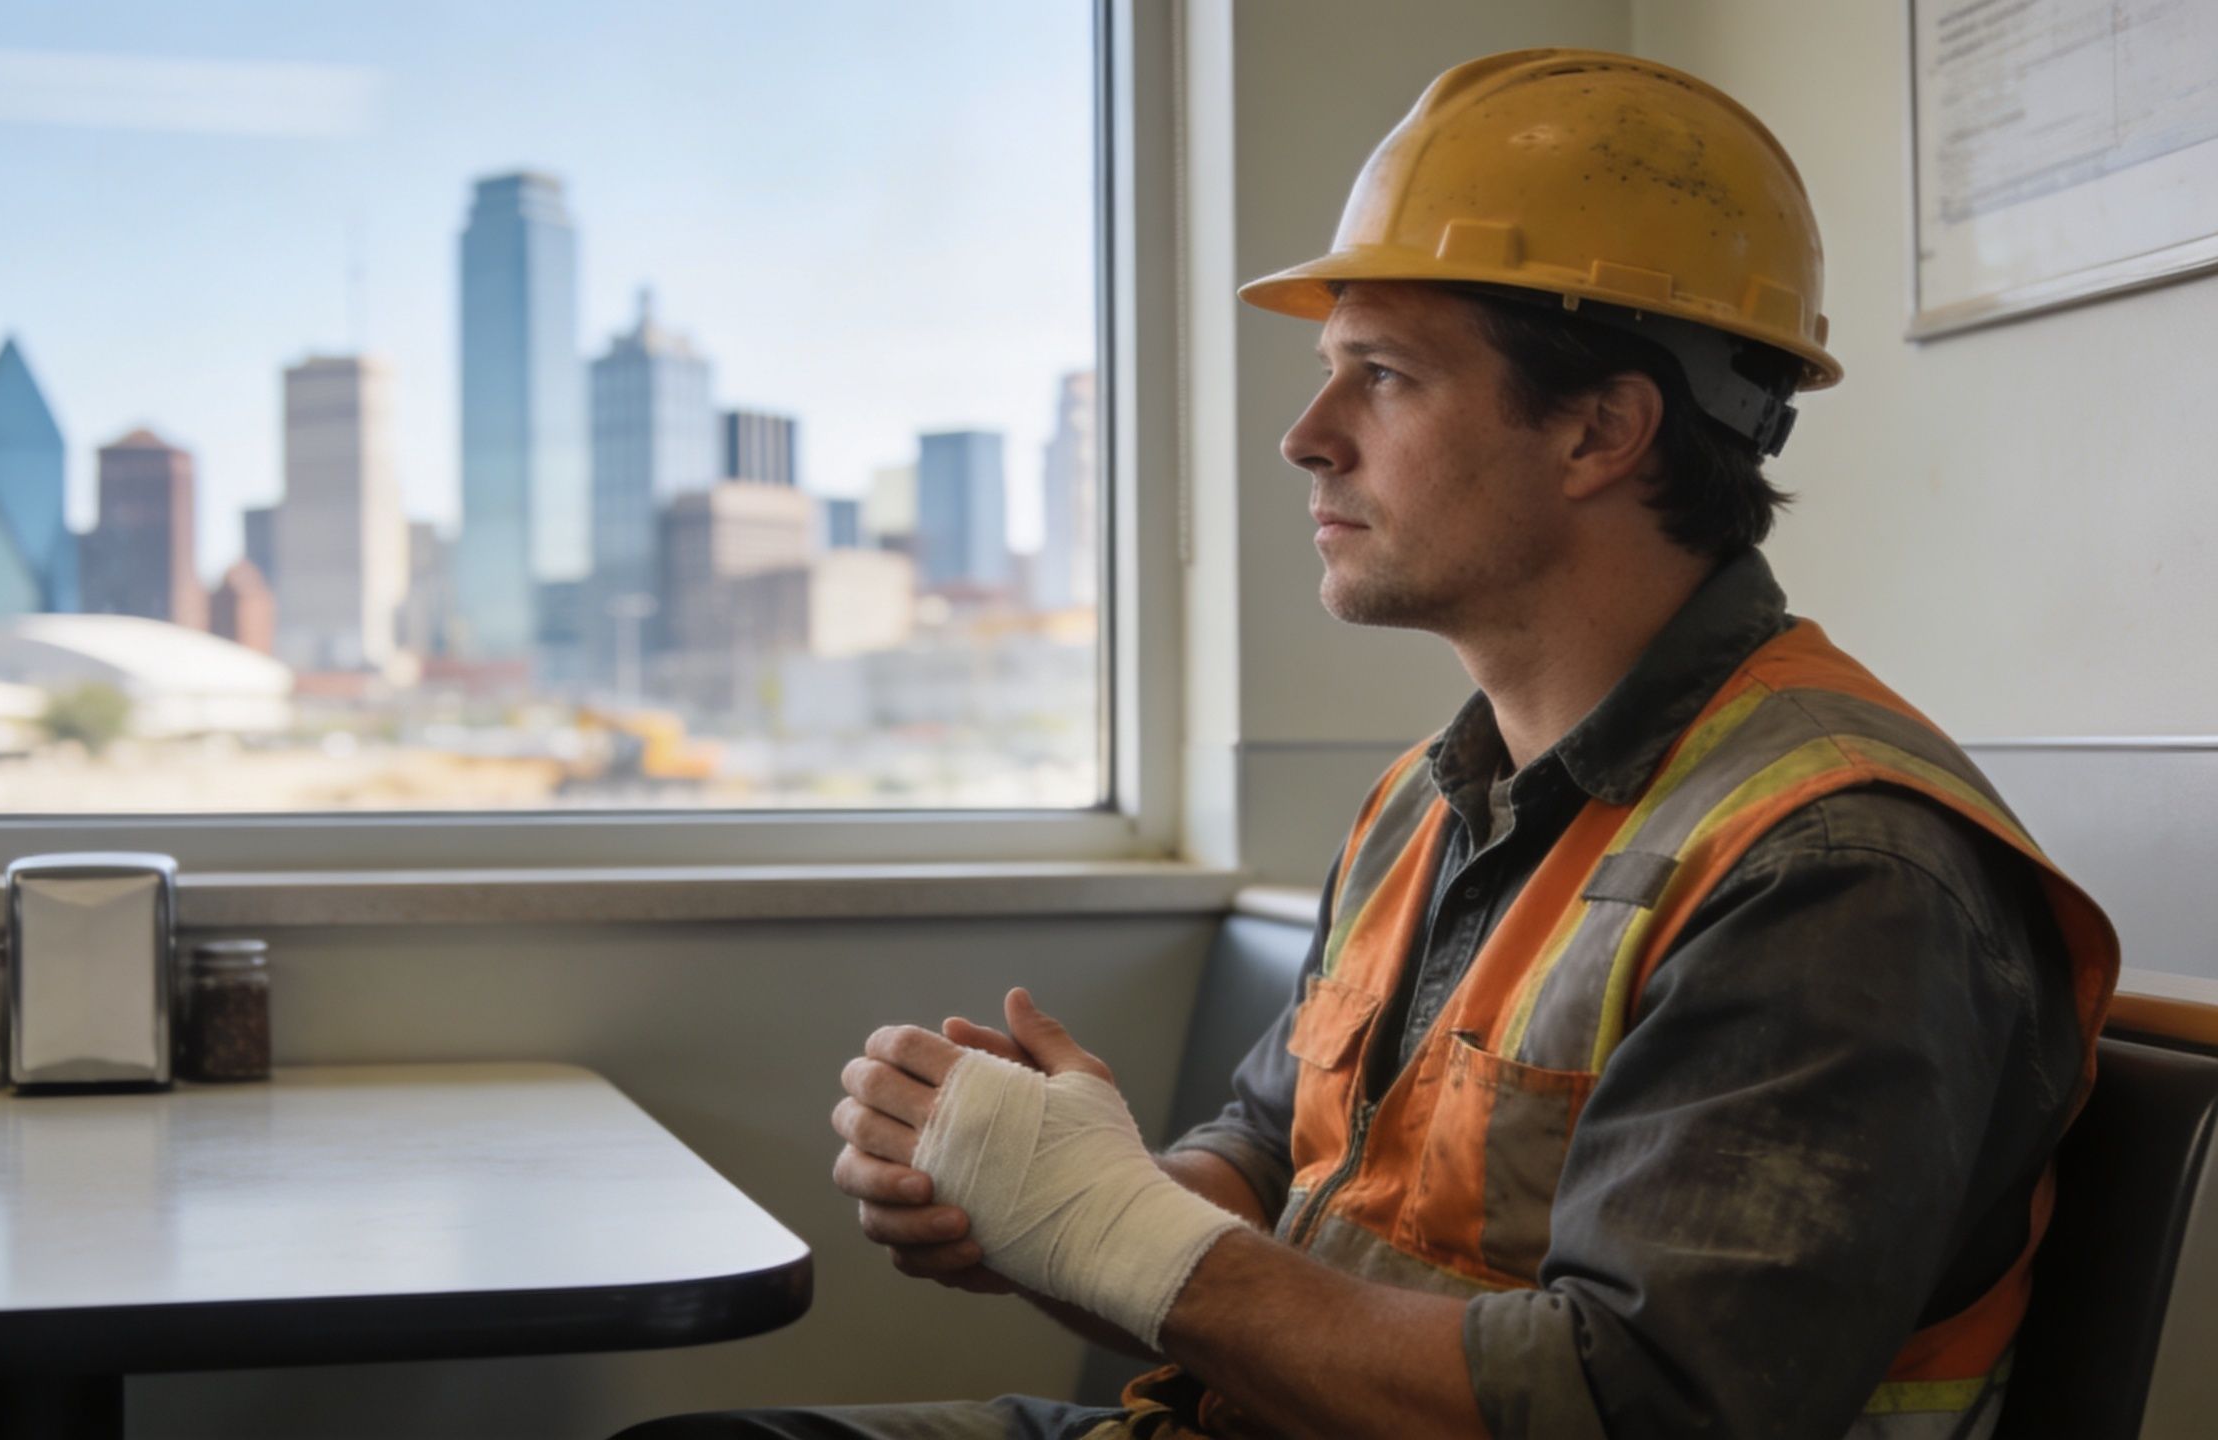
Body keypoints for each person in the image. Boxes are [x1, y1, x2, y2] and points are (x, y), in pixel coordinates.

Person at [618, 47, 2119, 1440]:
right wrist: (1046, 1202)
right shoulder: (1432, 799)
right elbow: (1274, 1158)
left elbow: (1645, 1407)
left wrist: (1114, 1233)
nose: (1308, 432)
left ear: (1603, 431)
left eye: (1385, 374)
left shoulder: (1835, 871)